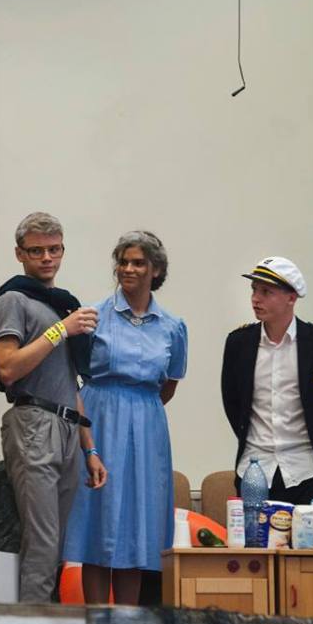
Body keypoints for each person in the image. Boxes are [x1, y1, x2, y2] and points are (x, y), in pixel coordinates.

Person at [63, 231, 188, 605]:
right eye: (123, 261)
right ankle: (97, 620)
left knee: (136, 527)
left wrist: (138, 410)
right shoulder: (93, 316)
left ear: (156, 270)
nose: (128, 269)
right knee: (98, 523)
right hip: (99, 419)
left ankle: (128, 622)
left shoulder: (173, 327)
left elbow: (169, 385)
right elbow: (72, 377)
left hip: (147, 427)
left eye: (138, 262)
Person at [0, 212, 107, 603]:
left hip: (67, 424)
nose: (46, 258)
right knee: (42, 543)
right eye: (37, 251)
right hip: (33, 421)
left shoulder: (61, 304)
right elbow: (7, 368)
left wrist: (91, 449)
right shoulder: (14, 299)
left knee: (57, 545)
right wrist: (62, 330)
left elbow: (71, 384)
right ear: (19, 254)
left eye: (54, 249)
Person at [221, 256, 313, 504]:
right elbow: (232, 402)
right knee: (254, 530)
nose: (255, 299)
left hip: (311, 471)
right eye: (253, 290)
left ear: (291, 298)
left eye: (266, 292)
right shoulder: (238, 343)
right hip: (255, 470)